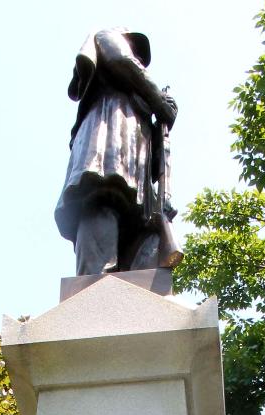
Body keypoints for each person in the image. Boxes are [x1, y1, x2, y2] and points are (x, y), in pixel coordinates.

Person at [55, 28, 179, 276]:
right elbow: (119, 59)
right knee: (105, 196)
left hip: (136, 171)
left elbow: (154, 167)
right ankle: (94, 286)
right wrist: (158, 101)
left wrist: (160, 128)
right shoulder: (107, 37)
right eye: (137, 54)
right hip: (106, 140)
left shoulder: (139, 106)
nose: (140, 64)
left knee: (147, 235)